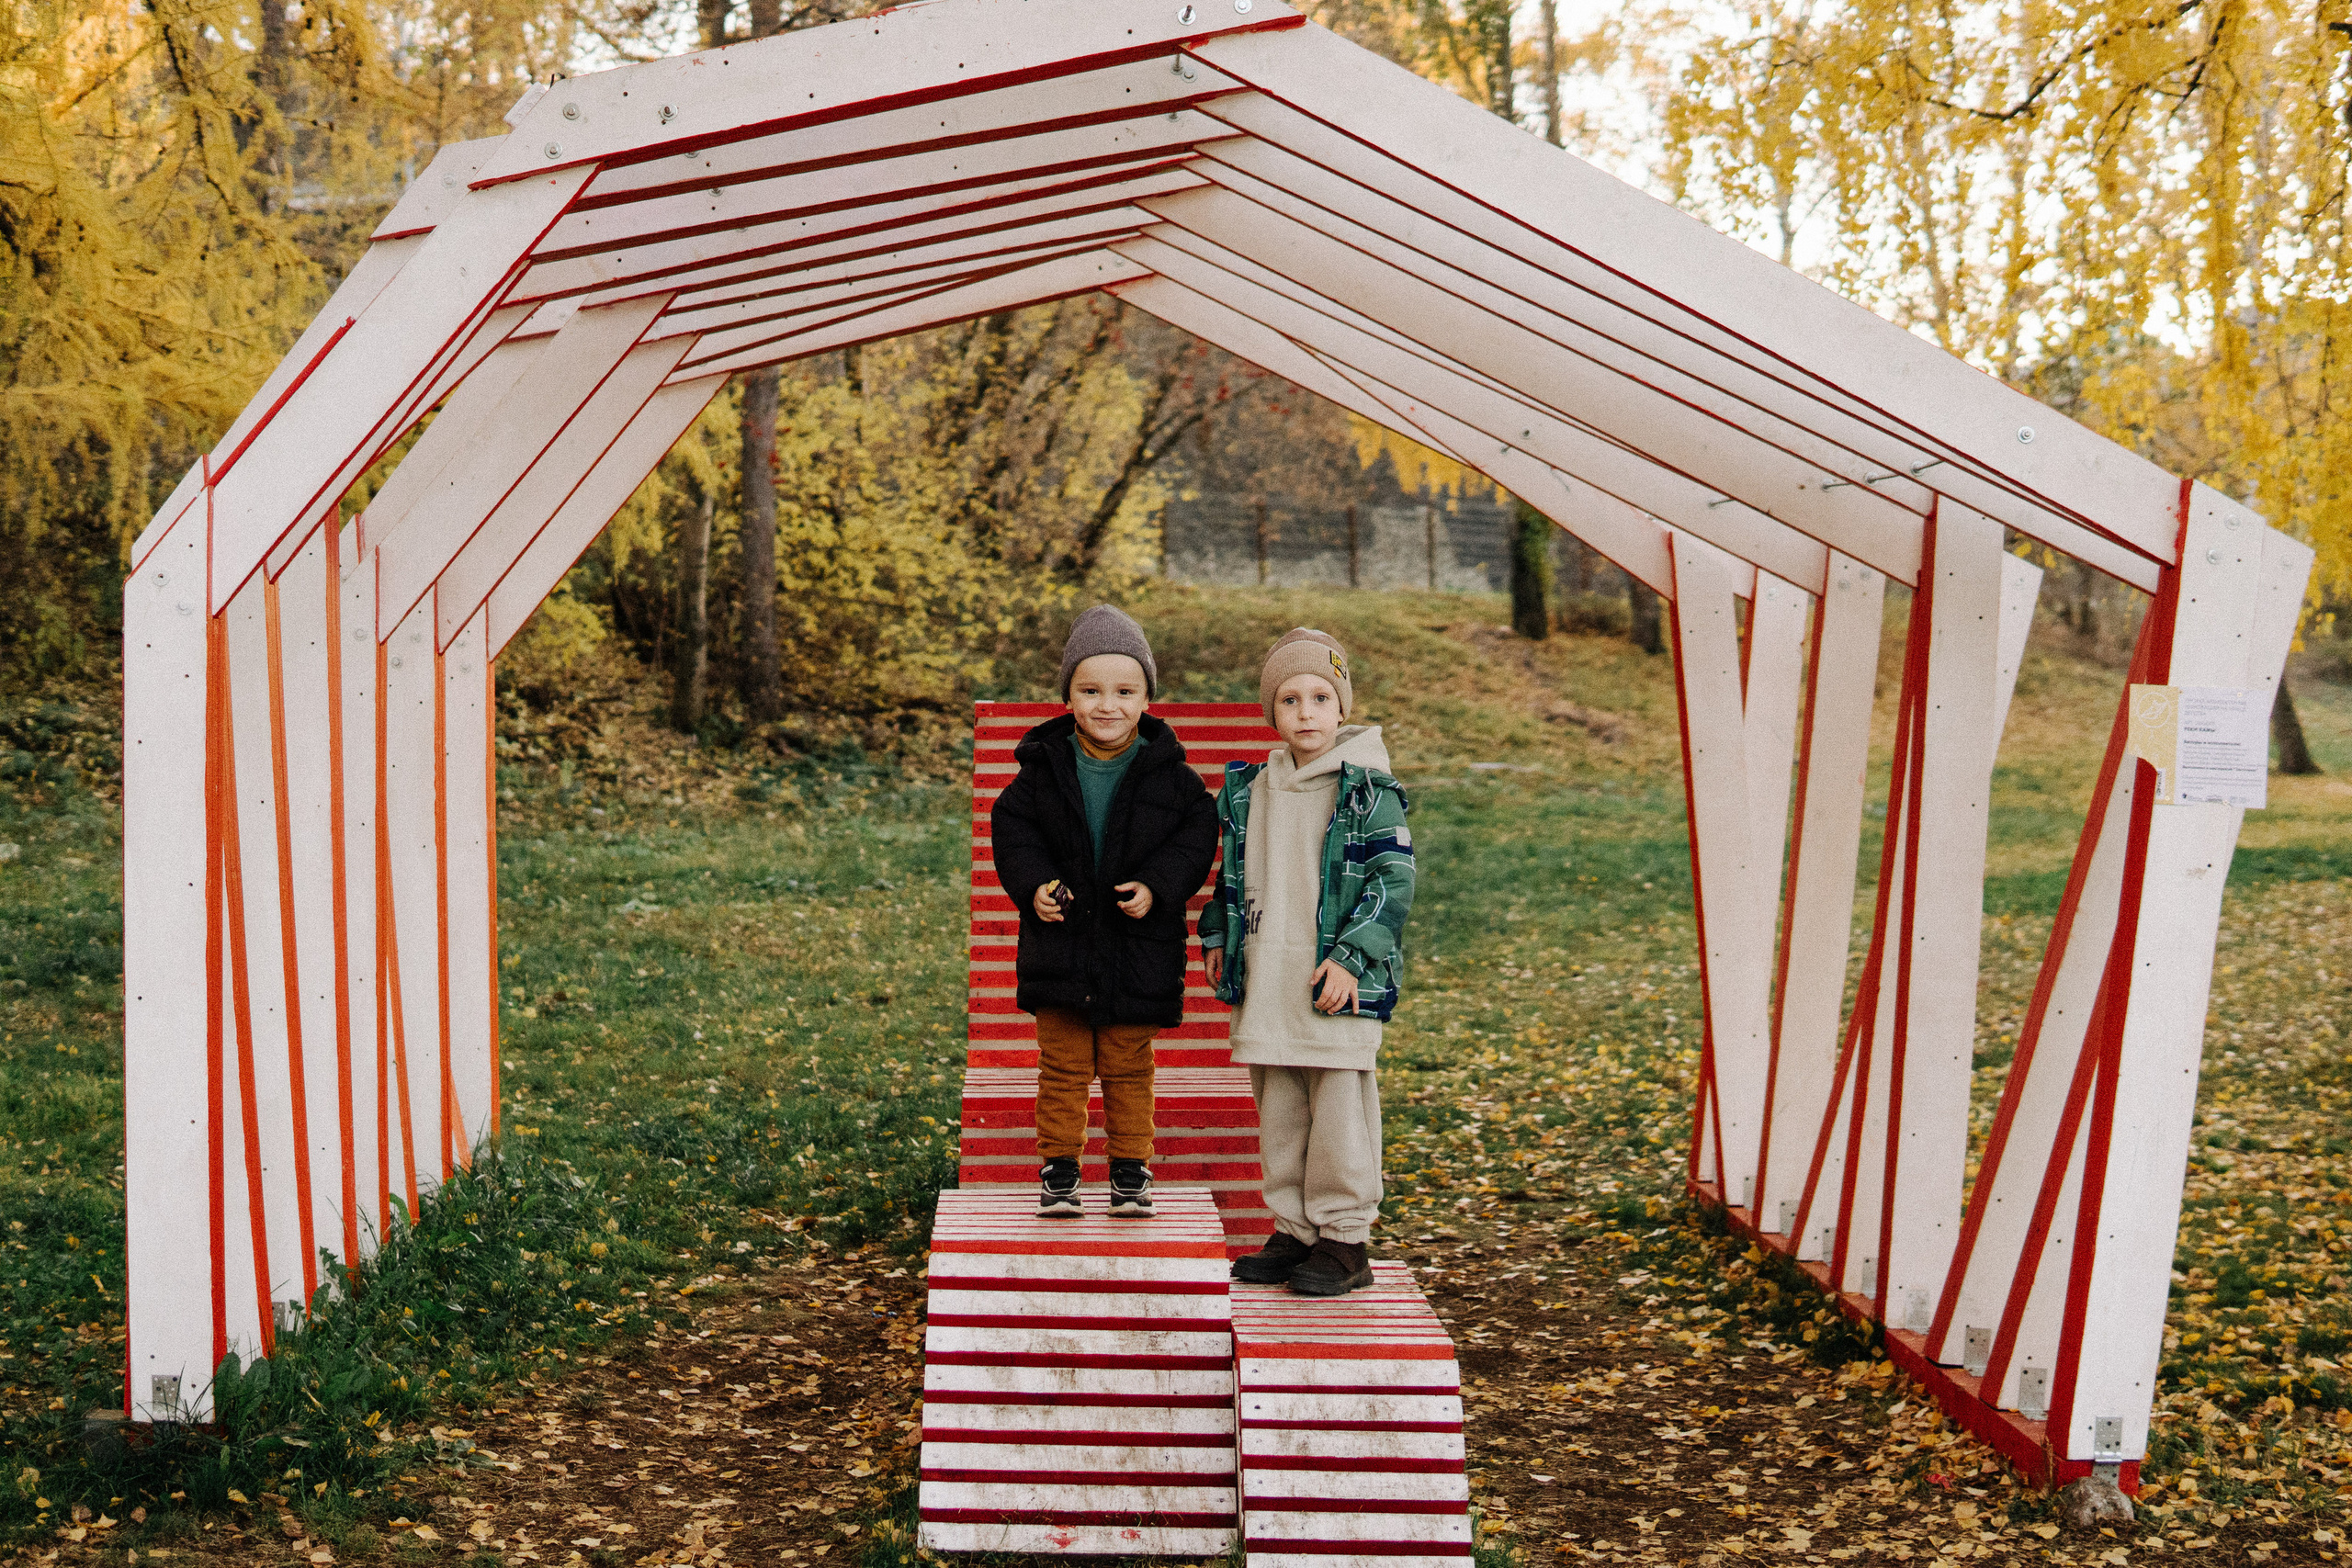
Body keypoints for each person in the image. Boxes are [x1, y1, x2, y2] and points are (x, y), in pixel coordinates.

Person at [1200, 627, 1415, 1295]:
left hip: (1335, 982)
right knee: (1282, 1109)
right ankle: (1294, 1228)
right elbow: (1230, 875)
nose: (1306, 712)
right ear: (1273, 713)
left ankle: (1345, 1238)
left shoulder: (1367, 789)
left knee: (1339, 1113)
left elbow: (1392, 878)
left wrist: (1353, 958)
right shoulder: (1249, 790)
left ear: (1342, 707)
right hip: (1271, 976)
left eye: (1320, 696)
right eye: (1289, 700)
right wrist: (1217, 935)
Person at [990, 605, 1218, 1219]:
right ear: (1068, 694)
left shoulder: (1171, 777)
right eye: (1090, 690)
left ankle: (1129, 1171)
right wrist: (1035, 884)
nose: (1106, 704)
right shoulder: (1042, 770)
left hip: (1136, 949)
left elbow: (1197, 836)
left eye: (1124, 690)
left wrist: (1157, 885)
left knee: (1128, 1066)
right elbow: (1014, 832)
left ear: (1147, 696)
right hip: (1059, 946)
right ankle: (1060, 1171)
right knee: (1062, 1065)